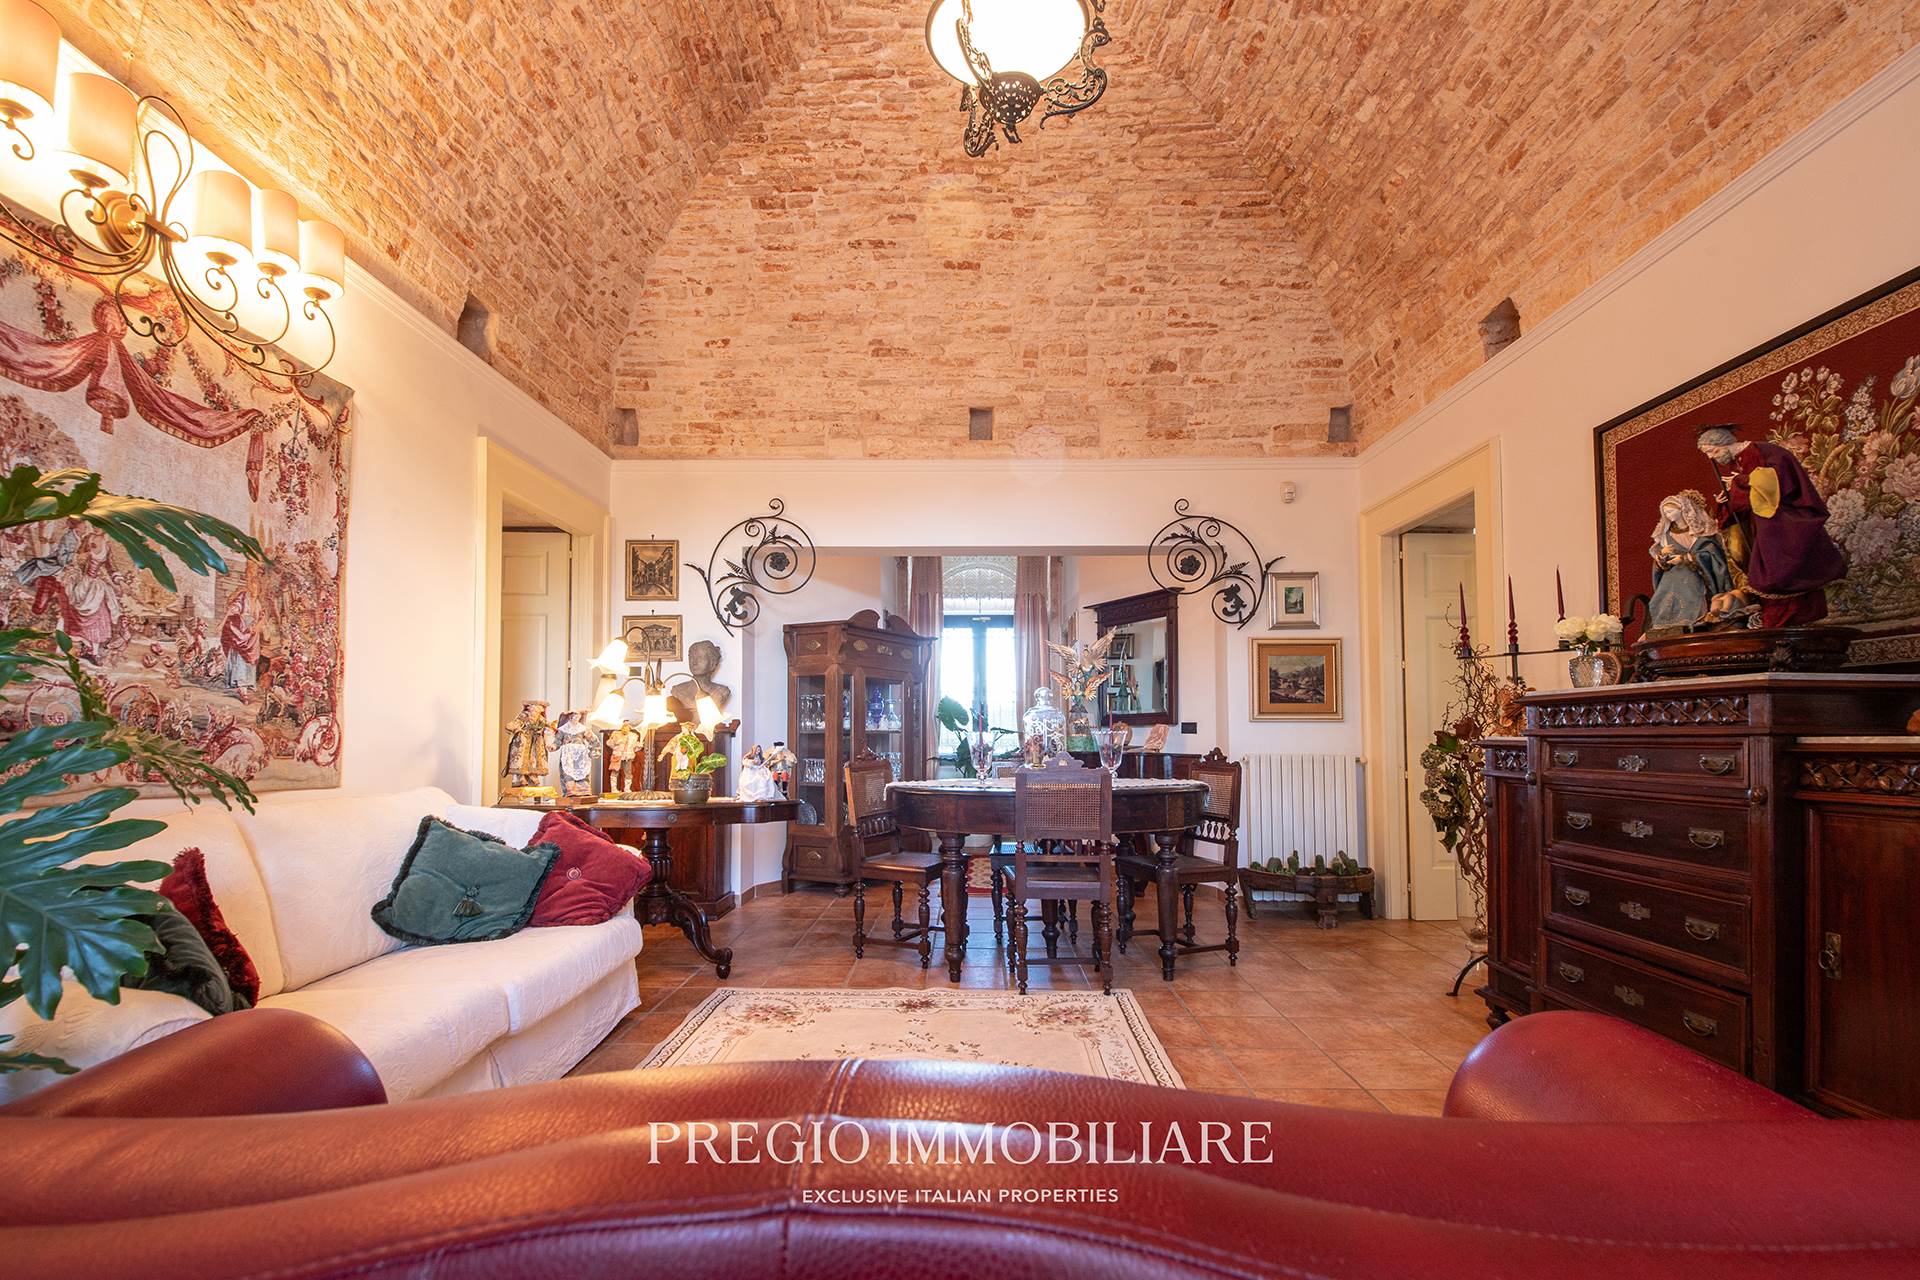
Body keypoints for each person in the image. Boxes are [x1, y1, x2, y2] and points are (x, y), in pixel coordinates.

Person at [1695, 423, 1846, 628]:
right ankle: (1777, 620)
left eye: (1713, 451)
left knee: (1778, 572)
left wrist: (1739, 483)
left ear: (1724, 443)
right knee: (1756, 566)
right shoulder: (1738, 460)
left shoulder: (1764, 452)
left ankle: (1789, 619)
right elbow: (1748, 497)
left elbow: (1774, 485)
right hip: (1763, 524)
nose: (1712, 457)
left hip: (1782, 523)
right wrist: (1727, 498)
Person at [1645, 490, 1735, 635]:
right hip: (1672, 575)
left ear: (1682, 509)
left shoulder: (1699, 532)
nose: (1668, 515)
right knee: (1662, 596)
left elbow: (1711, 553)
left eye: (1671, 511)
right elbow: (1661, 563)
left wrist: (1685, 559)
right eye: (1665, 513)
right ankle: (1665, 626)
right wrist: (1662, 556)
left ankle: (1693, 622)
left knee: (1689, 590)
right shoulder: (1666, 535)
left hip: (1694, 573)